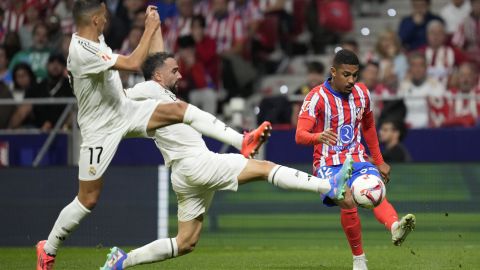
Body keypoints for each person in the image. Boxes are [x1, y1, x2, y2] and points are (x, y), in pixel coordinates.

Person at [35, 1, 284, 269]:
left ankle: (242, 140)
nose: (107, 21)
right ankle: (47, 249)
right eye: (104, 17)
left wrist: (155, 30)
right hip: (99, 128)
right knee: (88, 199)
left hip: (124, 108)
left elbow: (157, 63)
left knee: (177, 109)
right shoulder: (83, 50)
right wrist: (149, 27)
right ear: (95, 20)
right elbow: (133, 63)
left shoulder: (93, 36)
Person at [99, 52, 354, 270]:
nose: (179, 75)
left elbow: (153, 58)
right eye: (174, 71)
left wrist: (153, 25)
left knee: (185, 242)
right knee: (265, 168)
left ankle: (122, 261)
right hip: (197, 163)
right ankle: (328, 186)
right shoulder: (148, 89)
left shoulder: (160, 94)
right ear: (157, 76)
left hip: (184, 173)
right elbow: (120, 96)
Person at [295, 49, 416, 270]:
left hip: (357, 157)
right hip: (327, 163)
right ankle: (359, 260)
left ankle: (394, 227)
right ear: (333, 72)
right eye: (346, 74)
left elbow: (368, 126)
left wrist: (379, 161)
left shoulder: (362, 93)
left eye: (355, 75)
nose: (351, 80)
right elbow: (299, 135)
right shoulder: (316, 97)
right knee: (348, 199)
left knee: (375, 190)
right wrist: (318, 136)